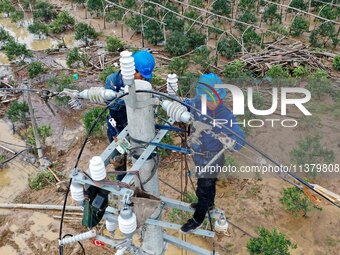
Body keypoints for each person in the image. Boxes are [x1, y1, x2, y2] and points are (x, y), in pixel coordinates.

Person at [180, 73, 246, 233]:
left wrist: (232, 142)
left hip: (212, 159)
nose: (213, 103)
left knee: (203, 188)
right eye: (208, 99)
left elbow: (240, 137)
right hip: (198, 154)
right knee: (208, 186)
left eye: (215, 99)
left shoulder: (225, 115)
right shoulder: (196, 102)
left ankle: (198, 219)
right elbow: (186, 106)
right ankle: (209, 204)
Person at [105, 50, 155, 180]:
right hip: (117, 126)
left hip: (137, 122)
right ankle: (121, 180)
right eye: (141, 75)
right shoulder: (112, 81)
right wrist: (128, 97)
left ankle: (141, 177)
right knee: (119, 155)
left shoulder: (144, 81)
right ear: (131, 69)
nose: (143, 79)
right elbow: (112, 105)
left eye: (145, 77)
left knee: (140, 151)